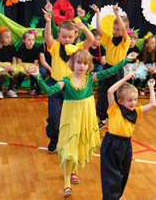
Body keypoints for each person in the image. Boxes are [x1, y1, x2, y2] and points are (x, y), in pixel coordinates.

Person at [30, 49, 137, 197]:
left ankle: (73, 171)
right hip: (70, 119)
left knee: (79, 145)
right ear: (72, 64)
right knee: (69, 149)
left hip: (86, 119)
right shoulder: (65, 81)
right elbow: (49, 90)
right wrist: (37, 77)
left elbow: (110, 71)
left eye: (85, 63)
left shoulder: (90, 78)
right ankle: (67, 183)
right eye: (79, 63)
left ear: (89, 65)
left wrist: (125, 60)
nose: (82, 66)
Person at [42, 1, 94, 153]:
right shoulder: (55, 46)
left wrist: (84, 26)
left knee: (71, 119)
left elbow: (90, 40)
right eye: (63, 36)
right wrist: (48, 21)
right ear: (59, 35)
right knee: (54, 118)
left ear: (74, 36)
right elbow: (47, 38)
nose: (66, 39)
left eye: (70, 37)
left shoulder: (77, 48)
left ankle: (68, 142)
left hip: (71, 88)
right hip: (56, 86)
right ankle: (54, 138)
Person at [101, 73, 156, 200]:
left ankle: (116, 197)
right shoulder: (114, 109)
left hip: (126, 145)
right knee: (110, 177)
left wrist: (151, 87)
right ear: (120, 101)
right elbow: (110, 91)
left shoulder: (136, 112)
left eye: (135, 100)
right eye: (130, 100)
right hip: (112, 144)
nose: (133, 103)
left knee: (123, 175)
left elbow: (152, 104)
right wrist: (125, 79)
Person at [90, 3, 131, 129]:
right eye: (114, 28)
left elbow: (124, 30)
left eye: (118, 29)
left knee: (117, 95)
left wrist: (117, 14)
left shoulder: (126, 40)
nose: (115, 31)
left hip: (117, 71)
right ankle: (102, 119)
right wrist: (97, 14)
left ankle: (118, 118)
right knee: (102, 93)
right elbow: (99, 30)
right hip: (107, 68)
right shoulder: (109, 39)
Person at [0, 26, 18, 99]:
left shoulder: (12, 47)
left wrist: (12, 66)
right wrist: (4, 67)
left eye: (10, 37)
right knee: (3, 74)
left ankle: (10, 90)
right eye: (7, 37)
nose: (10, 39)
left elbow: (14, 60)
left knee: (15, 74)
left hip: (9, 65)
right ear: (1, 38)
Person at [15, 29, 40, 95]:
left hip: (32, 65)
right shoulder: (21, 49)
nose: (31, 42)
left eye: (32, 40)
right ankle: (18, 86)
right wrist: (25, 67)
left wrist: (32, 67)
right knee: (21, 73)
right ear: (24, 41)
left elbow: (36, 62)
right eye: (29, 40)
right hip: (22, 64)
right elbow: (19, 61)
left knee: (34, 72)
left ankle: (32, 87)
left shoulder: (36, 50)